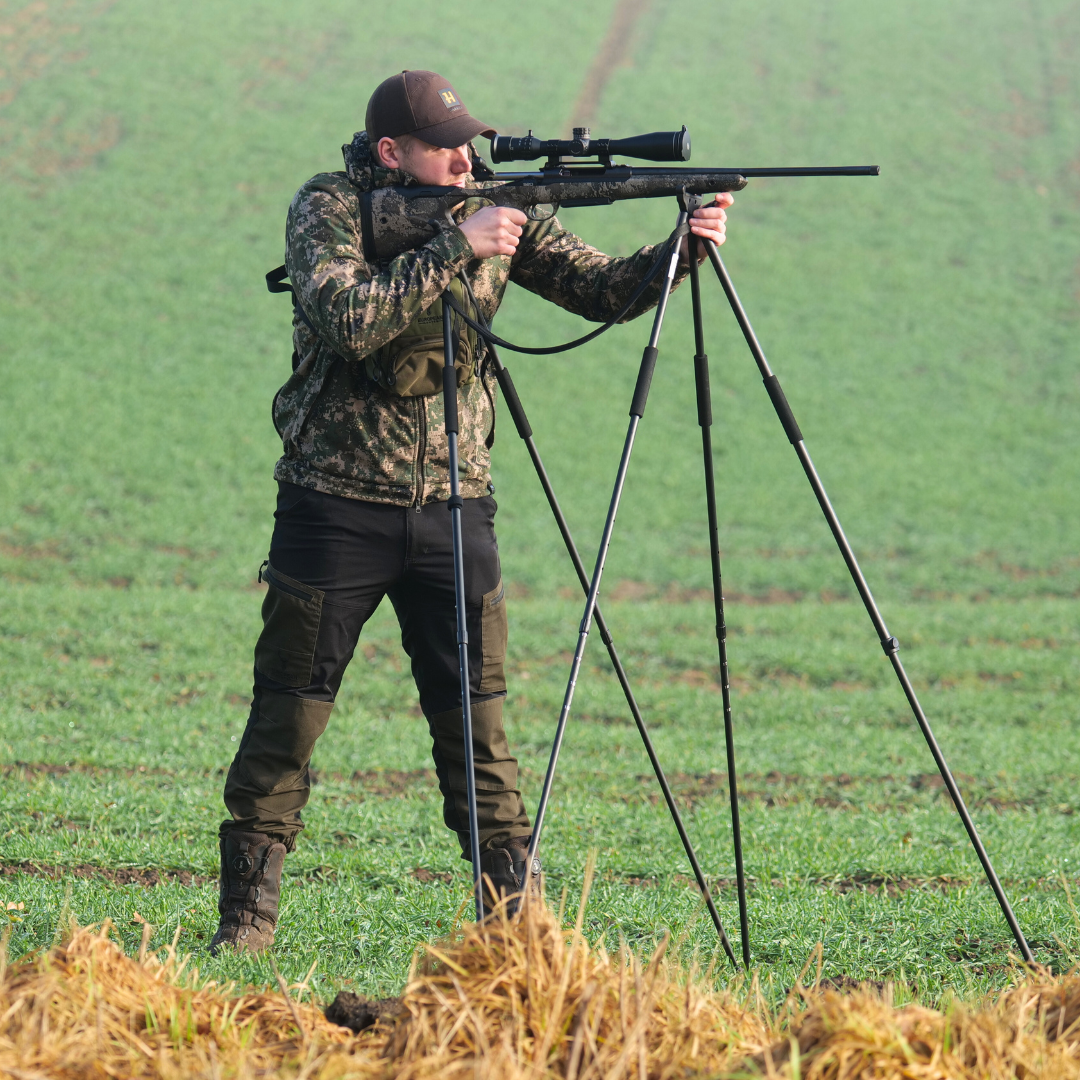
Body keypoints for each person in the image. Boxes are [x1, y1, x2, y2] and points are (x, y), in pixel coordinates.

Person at [210, 69, 732, 955]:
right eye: (446, 148)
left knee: (480, 738)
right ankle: (245, 927)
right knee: (286, 723)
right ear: (391, 152)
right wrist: (459, 245)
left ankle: (517, 936)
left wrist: (678, 253)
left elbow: (600, 291)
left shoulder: (493, 202)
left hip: (457, 509)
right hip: (333, 509)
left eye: (469, 146)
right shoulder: (328, 207)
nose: (465, 161)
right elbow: (346, 318)